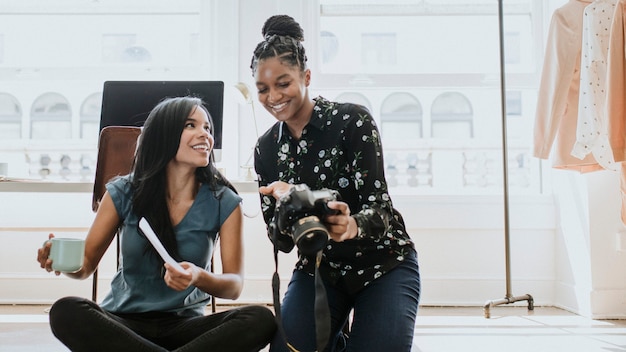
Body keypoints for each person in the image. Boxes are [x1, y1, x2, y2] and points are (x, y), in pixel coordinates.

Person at [37, 96, 276, 352]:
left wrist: (197, 276)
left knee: (259, 319)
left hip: (186, 328)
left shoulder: (223, 200)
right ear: (163, 134)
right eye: (190, 125)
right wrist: (58, 261)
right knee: (66, 311)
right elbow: (84, 267)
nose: (205, 134)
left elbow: (233, 287)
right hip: (124, 325)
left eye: (207, 128)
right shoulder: (123, 192)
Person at [250, 15, 421, 352]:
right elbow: (281, 243)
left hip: (384, 263)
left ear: (306, 77)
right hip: (320, 271)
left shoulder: (352, 121)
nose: (273, 97)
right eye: (263, 89)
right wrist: (284, 211)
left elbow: (380, 210)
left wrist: (350, 225)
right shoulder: (266, 148)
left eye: (283, 83)